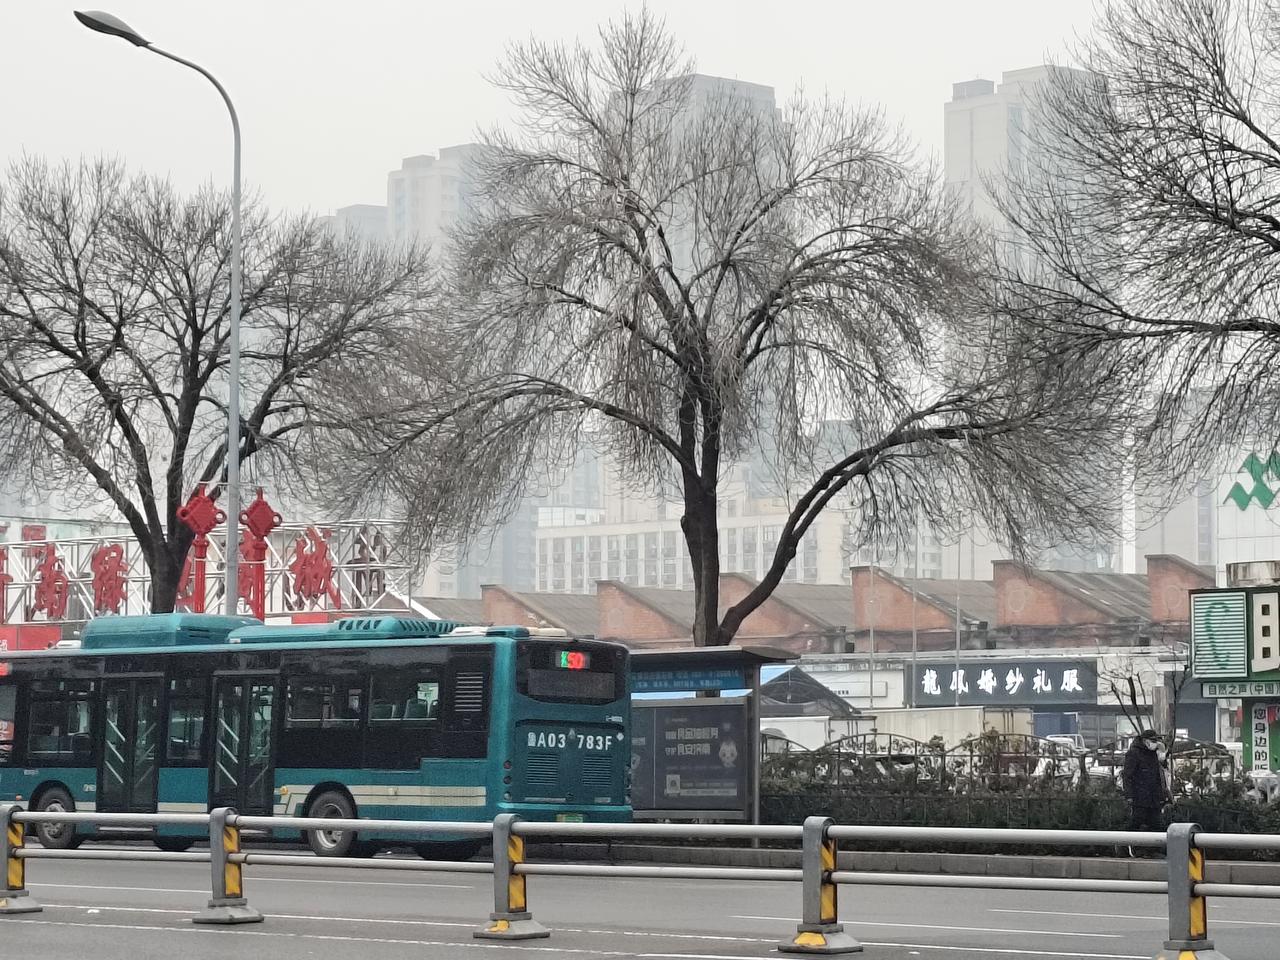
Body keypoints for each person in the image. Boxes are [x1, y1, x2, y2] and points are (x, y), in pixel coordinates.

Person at [1122, 729, 1170, 855]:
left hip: (1154, 797)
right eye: (1153, 741)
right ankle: (1125, 846)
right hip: (1139, 796)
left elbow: (1159, 775)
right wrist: (1129, 795)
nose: (1155, 743)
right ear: (1145, 741)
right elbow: (1127, 775)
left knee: (1156, 823)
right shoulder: (1134, 754)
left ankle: (1153, 850)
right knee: (1137, 821)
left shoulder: (1153, 754)